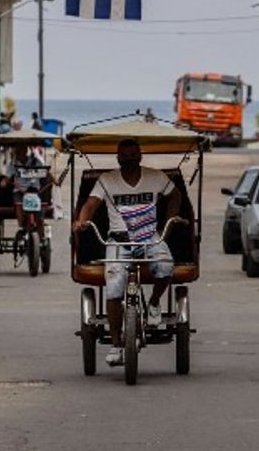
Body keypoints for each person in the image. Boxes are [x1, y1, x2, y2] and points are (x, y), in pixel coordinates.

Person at [72, 139, 181, 367]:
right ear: (118, 158)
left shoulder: (155, 176)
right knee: (113, 286)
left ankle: (153, 302)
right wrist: (82, 221)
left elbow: (175, 195)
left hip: (149, 235)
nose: (129, 158)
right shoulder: (107, 180)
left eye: (134, 154)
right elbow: (90, 205)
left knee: (165, 265)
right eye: (125, 155)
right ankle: (115, 344)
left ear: (140, 155)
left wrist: (168, 223)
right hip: (119, 239)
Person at [2, 145, 48, 232]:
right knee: (18, 203)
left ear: (26, 151)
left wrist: (54, 180)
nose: (20, 153)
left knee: (40, 216)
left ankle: (41, 233)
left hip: (35, 191)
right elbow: (7, 178)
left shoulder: (35, 161)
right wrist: (4, 182)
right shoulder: (13, 164)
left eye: (22, 150)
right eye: (18, 151)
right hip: (20, 191)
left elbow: (46, 172)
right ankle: (22, 224)